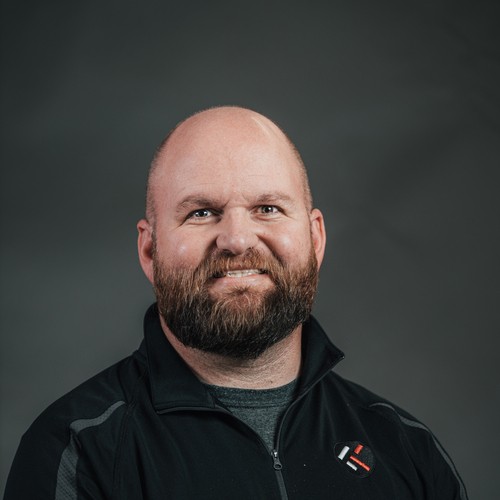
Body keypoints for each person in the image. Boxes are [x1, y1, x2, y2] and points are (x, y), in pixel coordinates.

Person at [5, 106, 468, 499]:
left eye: (268, 209)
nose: (237, 239)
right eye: (202, 212)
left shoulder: (405, 448)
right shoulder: (77, 453)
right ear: (150, 250)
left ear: (315, 238)